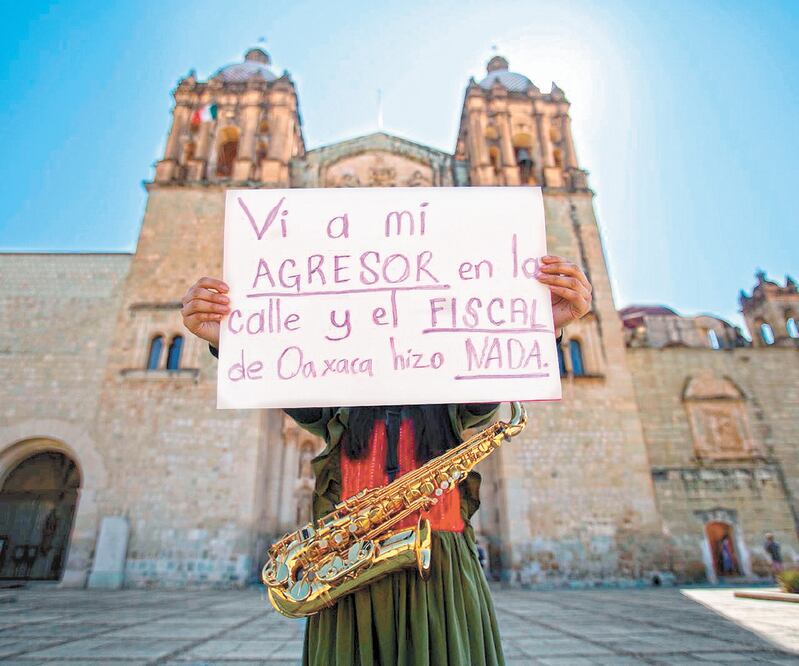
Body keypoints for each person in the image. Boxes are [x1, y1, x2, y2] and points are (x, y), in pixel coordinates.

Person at [182, 255, 592, 666]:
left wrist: (544, 327)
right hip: (348, 571)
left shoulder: (453, 391)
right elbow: (283, 385)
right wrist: (228, 340)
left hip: (441, 572)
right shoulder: (338, 394)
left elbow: (490, 385)